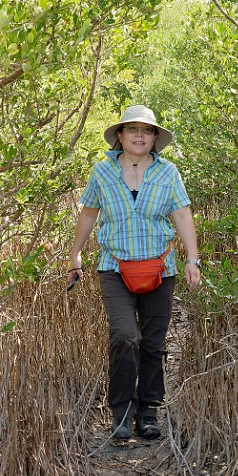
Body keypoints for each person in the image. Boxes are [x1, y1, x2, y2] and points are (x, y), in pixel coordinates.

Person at [67, 105, 201, 441]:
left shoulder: (168, 173)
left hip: (160, 268)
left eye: (147, 130)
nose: (139, 136)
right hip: (114, 266)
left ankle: (149, 411)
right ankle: (122, 411)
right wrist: (75, 254)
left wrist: (193, 259)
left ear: (155, 138)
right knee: (126, 336)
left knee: (154, 343)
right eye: (132, 129)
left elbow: (182, 216)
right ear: (121, 136)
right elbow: (88, 214)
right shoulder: (102, 172)